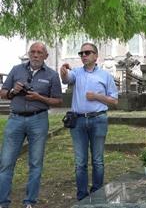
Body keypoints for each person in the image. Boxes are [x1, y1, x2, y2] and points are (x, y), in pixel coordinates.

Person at [0, 42, 63, 208]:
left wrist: (39, 98)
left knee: (35, 163)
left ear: (45, 56)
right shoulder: (16, 70)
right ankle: (3, 202)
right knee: (6, 162)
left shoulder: (52, 75)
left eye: (39, 52)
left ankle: (29, 202)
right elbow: (3, 93)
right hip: (15, 119)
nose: (35, 55)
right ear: (29, 53)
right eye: (33, 52)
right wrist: (13, 91)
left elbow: (57, 101)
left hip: (38, 120)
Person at [60, 42, 118, 201]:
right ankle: (82, 197)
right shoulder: (77, 72)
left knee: (98, 161)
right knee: (80, 162)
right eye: (81, 53)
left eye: (87, 52)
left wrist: (97, 96)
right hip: (78, 122)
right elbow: (66, 80)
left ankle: (98, 194)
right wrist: (63, 72)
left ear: (95, 56)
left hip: (98, 120)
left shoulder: (105, 76)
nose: (83, 56)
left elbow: (114, 101)